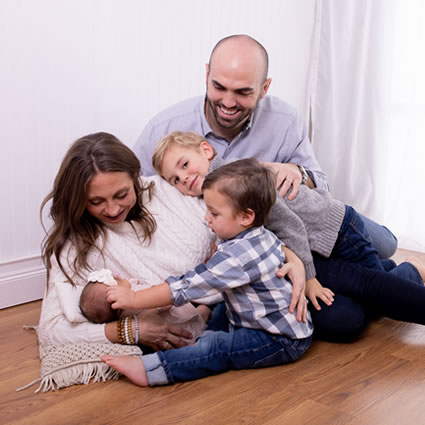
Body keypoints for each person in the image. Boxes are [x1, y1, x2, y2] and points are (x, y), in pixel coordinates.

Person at [133, 33, 397, 261]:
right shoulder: (163, 129)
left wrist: (298, 173)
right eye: (219, 86)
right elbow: (135, 196)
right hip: (259, 247)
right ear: (206, 75)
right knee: (345, 309)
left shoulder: (285, 120)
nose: (227, 102)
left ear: (264, 88)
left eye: (243, 92)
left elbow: (320, 185)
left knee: (387, 246)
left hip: (305, 220)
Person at [101, 159, 314, 387]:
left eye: (214, 213)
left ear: (245, 217)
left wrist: (133, 299)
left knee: (218, 349)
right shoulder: (258, 234)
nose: (206, 218)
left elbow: (185, 286)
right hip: (267, 320)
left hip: (279, 339)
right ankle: (203, 338)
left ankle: (153, 369)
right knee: (221, 308)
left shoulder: (237, 257)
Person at [38, 132, 219, 352]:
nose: (113, 210)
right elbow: (51, 330)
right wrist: (131, 330)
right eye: (96, 201)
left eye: (122, 194)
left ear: (134, 176)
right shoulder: (75, 245)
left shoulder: (165, 189)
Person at [79, 269, 208, 342]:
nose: (119, 276)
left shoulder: (127, 304)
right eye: (117, 280)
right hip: (182, 325)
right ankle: (204, 314)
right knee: (202, 314)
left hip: (178, 319)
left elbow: (133, 285)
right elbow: (167, 303)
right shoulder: (134, 305)